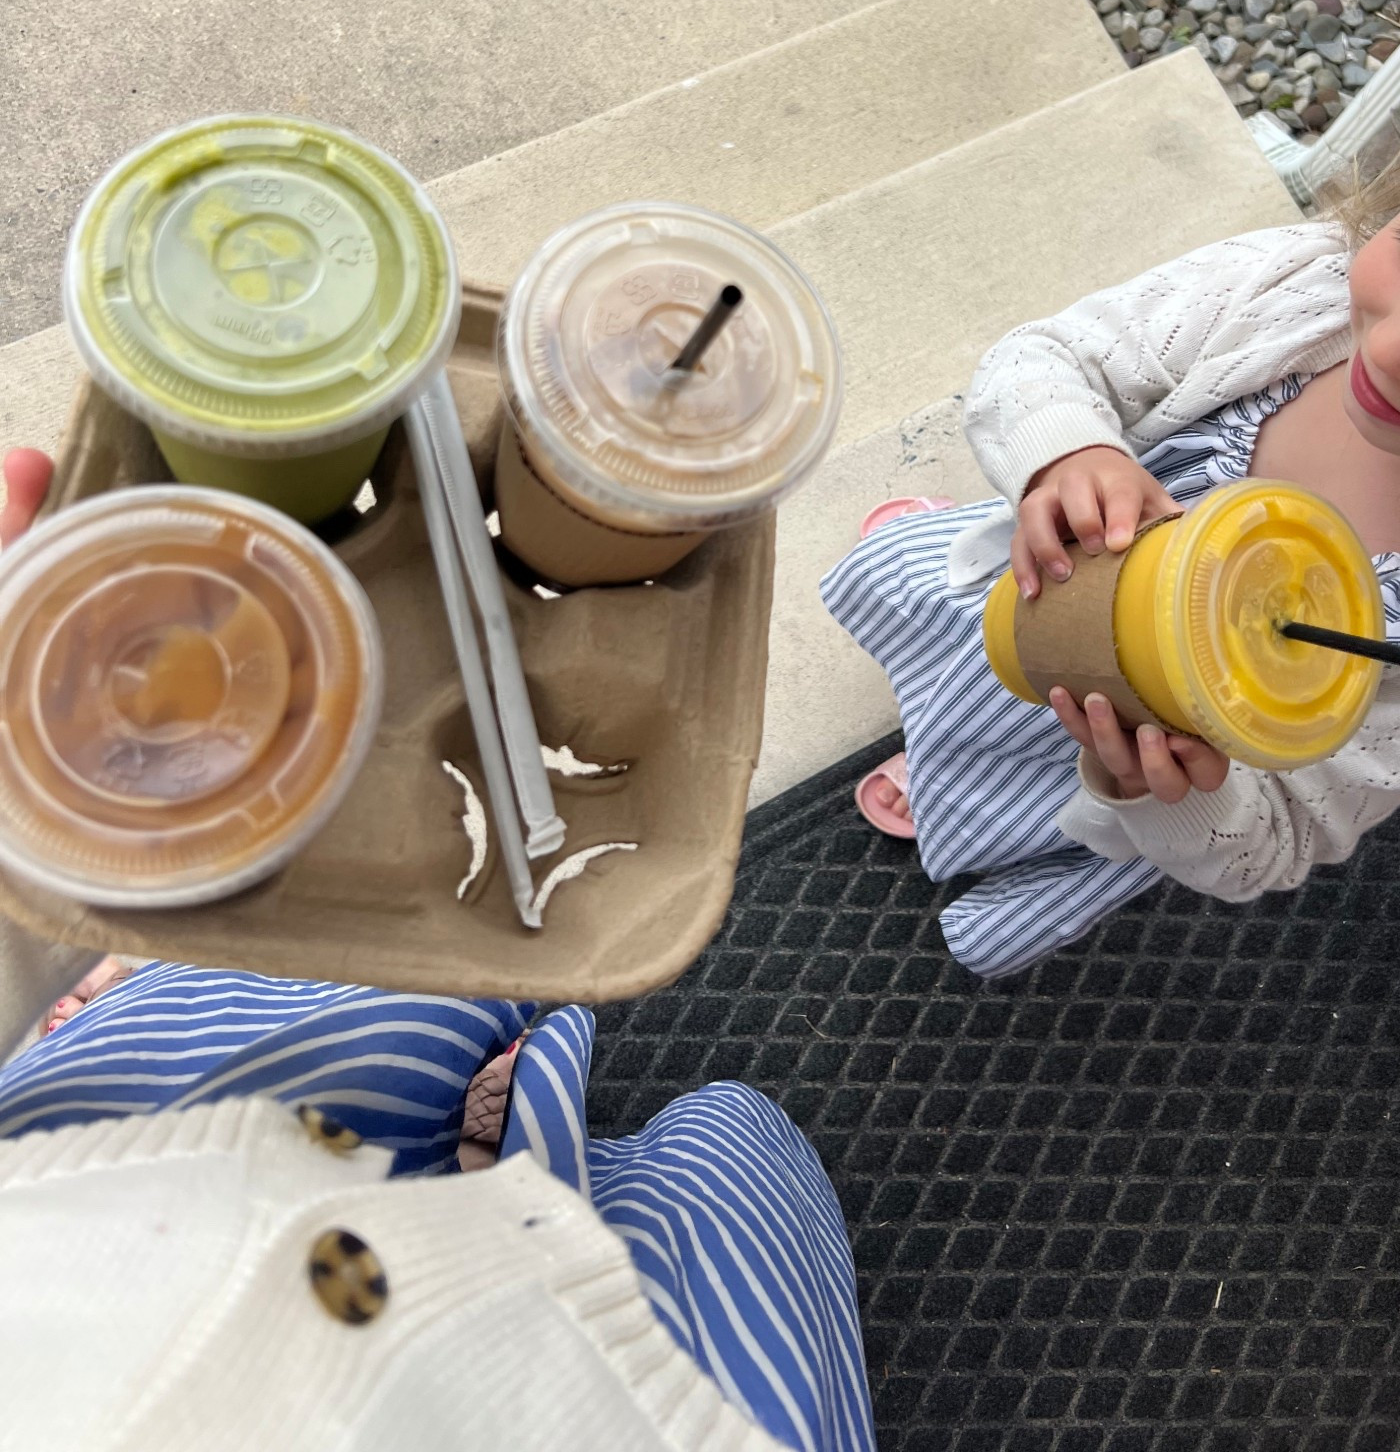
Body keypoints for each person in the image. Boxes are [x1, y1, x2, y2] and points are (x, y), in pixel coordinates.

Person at [0, 451, 873, 1452]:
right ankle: (513, 1152)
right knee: (725, 1143)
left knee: (413, 989)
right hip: (518, 1389)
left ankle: (464, 1125)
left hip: (102, 1187)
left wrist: (30, 893)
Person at [824, 17, 1400, 981]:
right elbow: (1051, 358)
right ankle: (941, 685)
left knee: (1031, 749)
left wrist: (1173, 793)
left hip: (1095, 746)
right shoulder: (1298, 293)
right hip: (1049, 568)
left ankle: (957, 782)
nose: (1395, 344)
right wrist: (1066, 453)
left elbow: (1276, 840)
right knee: (959, 614)